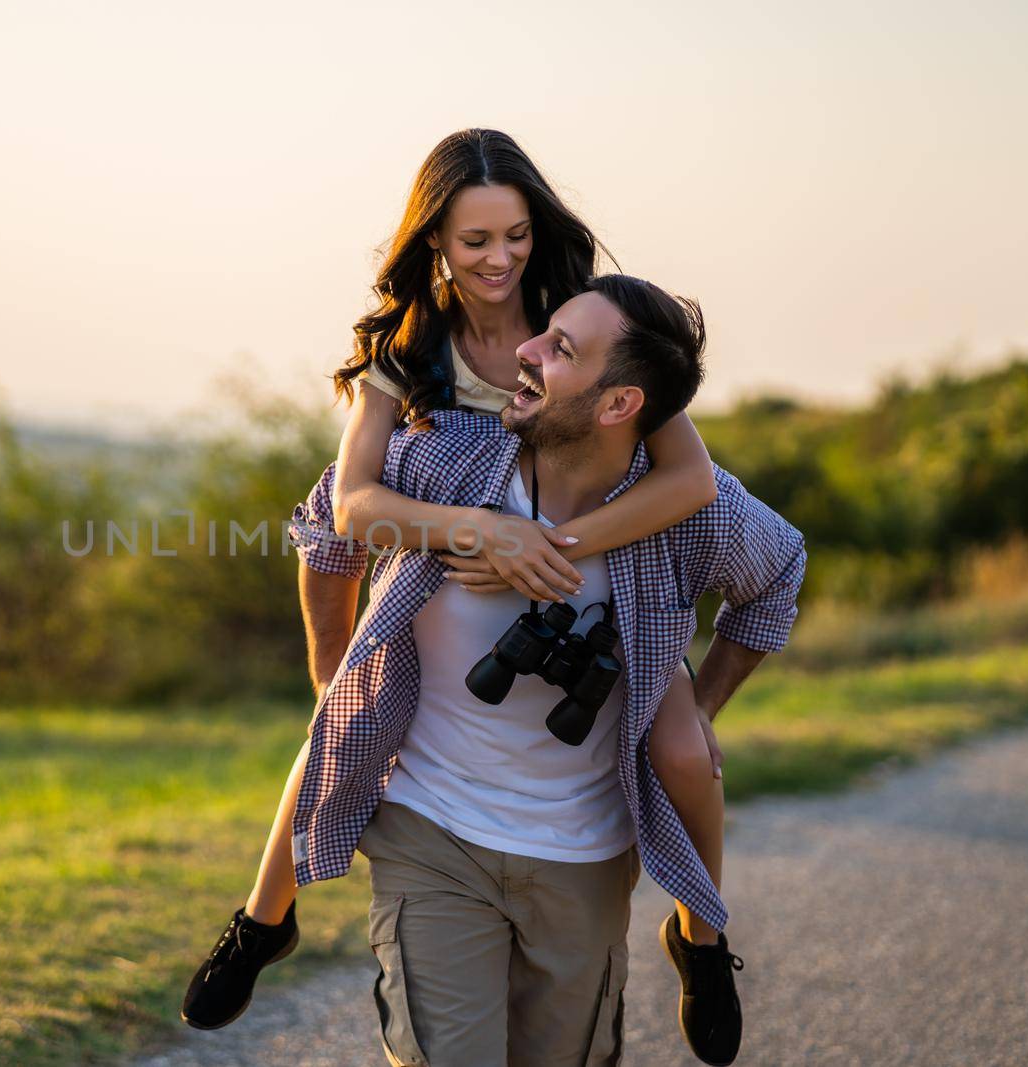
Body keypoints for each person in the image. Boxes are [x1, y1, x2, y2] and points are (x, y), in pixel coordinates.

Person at [180, 130, 741, 1062]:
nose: (501, 259)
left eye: (516, 235)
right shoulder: (412, 350)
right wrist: (480, 533)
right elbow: (356, 502)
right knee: (337, 711)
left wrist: (548, 546)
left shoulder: (586, 330)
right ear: (434, 240)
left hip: (603, 567)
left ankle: (704, 934)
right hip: (449, 551)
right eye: (476, 239)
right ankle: (260, 921)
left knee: (682, 744)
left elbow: (689, 482)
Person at [292, 275, 803, 1064]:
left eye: (560, 348)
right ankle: (260, 923)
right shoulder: (451, 461)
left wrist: (699, 707)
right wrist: (332, 672)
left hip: (585, 855)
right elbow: (333, 514)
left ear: (617, 404)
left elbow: (778, 573)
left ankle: (700, 938)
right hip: (432, 834)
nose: (524, 349)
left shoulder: (692, 514)